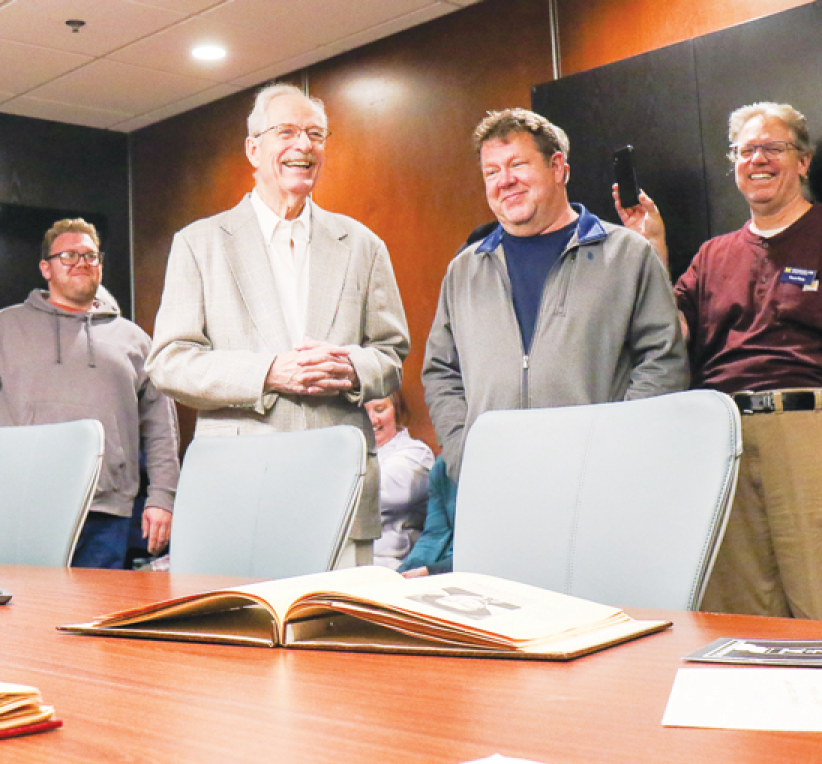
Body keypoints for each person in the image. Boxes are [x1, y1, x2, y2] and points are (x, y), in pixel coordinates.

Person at [146, 83, 410, 563]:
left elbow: (391, 356)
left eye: (316, 134)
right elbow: (169, 363)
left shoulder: (363, 244)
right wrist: (268, 372)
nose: (304, 146)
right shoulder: (199, 243)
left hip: (342, 494)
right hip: (238, 491)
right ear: (254, 148)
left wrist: (351, 369)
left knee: (334, 637)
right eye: (286, 132)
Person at [618, 103, 822, 619]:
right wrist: (653, 250)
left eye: (773, 147)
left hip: (807, 430)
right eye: (746, 150)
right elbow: (672, 333)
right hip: (721, 437)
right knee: (742, 612)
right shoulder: (712, 255)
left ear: (803, 161)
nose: (758, 159)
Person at [422, 108, 688, 484]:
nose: (505, 181)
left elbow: (662, 361)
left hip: (598, 480)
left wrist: (620, 449)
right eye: (492, 172)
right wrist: (463, 454)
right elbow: (441, 373)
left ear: (558, 167)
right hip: (496, 483)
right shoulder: (465, 270)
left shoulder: (627, 254)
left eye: (518, 165)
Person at [0, 218, 180, 569]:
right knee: (25, 614)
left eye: (90, 256)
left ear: (101, 266)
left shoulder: (135, 340)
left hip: (108, 512)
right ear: (46, 268)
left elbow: (161, 428)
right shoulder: (3, 327)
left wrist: (162, 499)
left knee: (92, 620)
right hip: (23, 506)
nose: (81, 263)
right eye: (69, 256)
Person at [364, 392, 434, 569]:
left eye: (380, 410)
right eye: (363, 412)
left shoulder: (416, 453)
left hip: (388, 565)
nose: (372, 420)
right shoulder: (346, 453)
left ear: (396, 410)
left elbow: (375, 493)